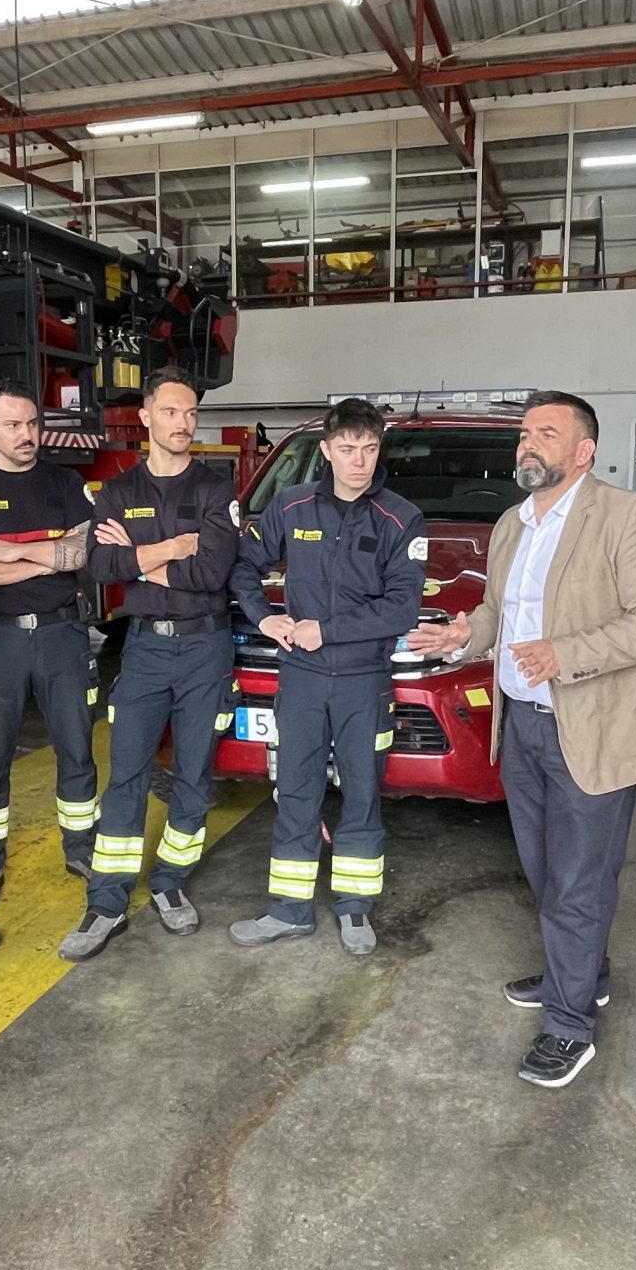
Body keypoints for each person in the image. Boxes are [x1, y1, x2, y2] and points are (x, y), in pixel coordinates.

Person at [401, 392, 636, 1087]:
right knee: (547, 873)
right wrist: (466, 633)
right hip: (522, 725)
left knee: (577, 885)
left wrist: (566, 652)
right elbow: (502, 611)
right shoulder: (510, 524)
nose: (527, 444)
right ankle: (583, 973)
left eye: (546, 434)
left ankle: (568, 1026)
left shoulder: (628, 516)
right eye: (525, 433)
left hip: (596, 726)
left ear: (584, 451)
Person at [228, 398, 425, 955]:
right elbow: (244, 567)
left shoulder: (400, 517)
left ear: (378, 449)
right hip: (303, 680)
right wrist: (265, 616)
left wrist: (326, 629)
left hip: (365, 681)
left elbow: (402, 609)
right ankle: (289, 911)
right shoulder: (290, 508)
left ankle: (355, 910)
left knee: (361, 793)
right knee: (295, 790)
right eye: (347, 449)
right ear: (326, 451)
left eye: (368, 449)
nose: (358, 461)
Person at [58, 368, 241, 963]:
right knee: (128, 772)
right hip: (143, 648)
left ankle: (169, 883)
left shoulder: (216, 490)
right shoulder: (116, 492)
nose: (183, 423)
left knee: (193, 773)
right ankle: (107, 900)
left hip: (205, 647)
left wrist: (138, 558)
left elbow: (213, 573)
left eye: (191, 414)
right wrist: (169, 549)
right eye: (171, 412)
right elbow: (102, 568)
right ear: (147, 418)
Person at [0, 378, 99, 909]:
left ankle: (82, 847)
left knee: (77, 747)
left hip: (62, 633)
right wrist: (46, 554)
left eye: (32, 423)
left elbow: (83, 553)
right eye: (13, 424)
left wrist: (16, 550)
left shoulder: (64, 482)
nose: (27, 434)